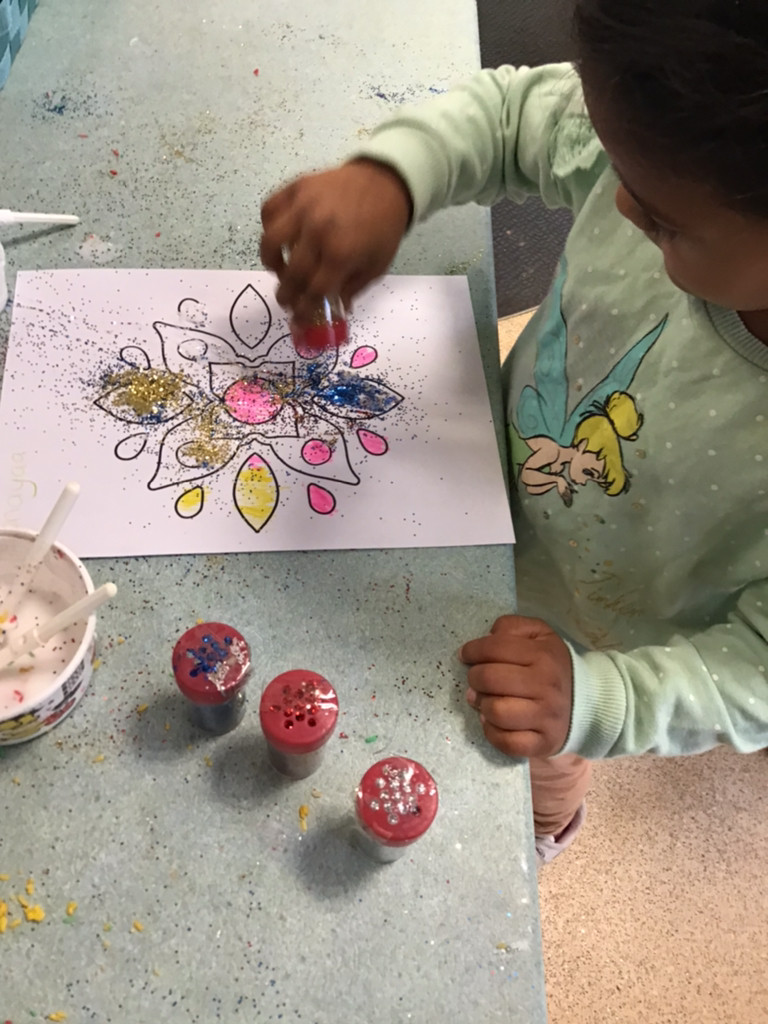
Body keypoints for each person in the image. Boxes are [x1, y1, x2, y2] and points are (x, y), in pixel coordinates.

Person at [260, 0, 768, 863]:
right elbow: (511, 117)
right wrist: (395, 177)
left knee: (528, 769)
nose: (617, 202)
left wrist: (601, 703)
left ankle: (541, 830)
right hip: (480, 499)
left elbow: (753, 674)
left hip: (590, 647)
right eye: (617, 164)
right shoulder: (665, 136)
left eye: (664, 220)